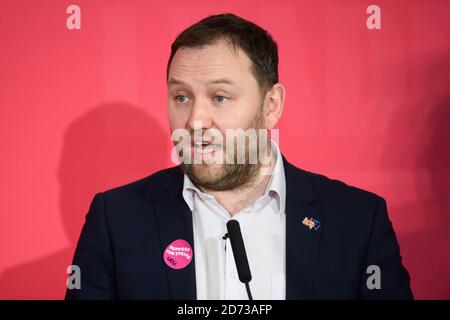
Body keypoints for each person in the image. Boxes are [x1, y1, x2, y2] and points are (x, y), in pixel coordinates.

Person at [66, 13, 413, 300]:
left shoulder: (357, 221)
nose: (195, 121)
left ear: (271, 105)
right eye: (182, 97)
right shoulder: (115, 219)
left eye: (219, 97)